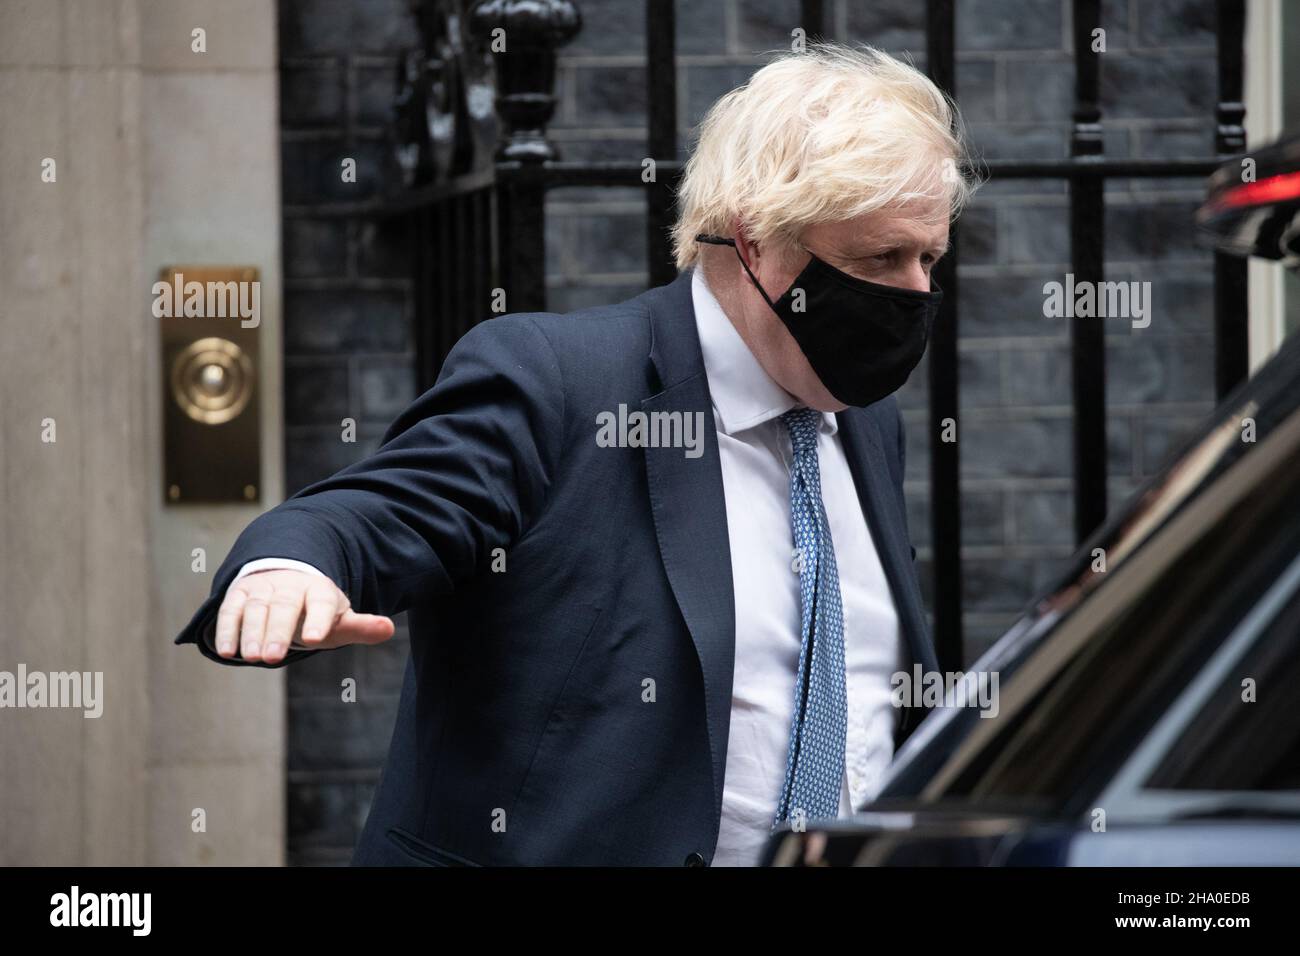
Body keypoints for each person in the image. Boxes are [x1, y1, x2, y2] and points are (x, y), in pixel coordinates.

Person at [175, 41, 978, 866]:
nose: (918, 293)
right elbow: (381, 508)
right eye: (880, 258)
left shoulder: (865, 421)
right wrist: (289, 565)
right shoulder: (558, 383)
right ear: (752, 237)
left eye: (929, 259)